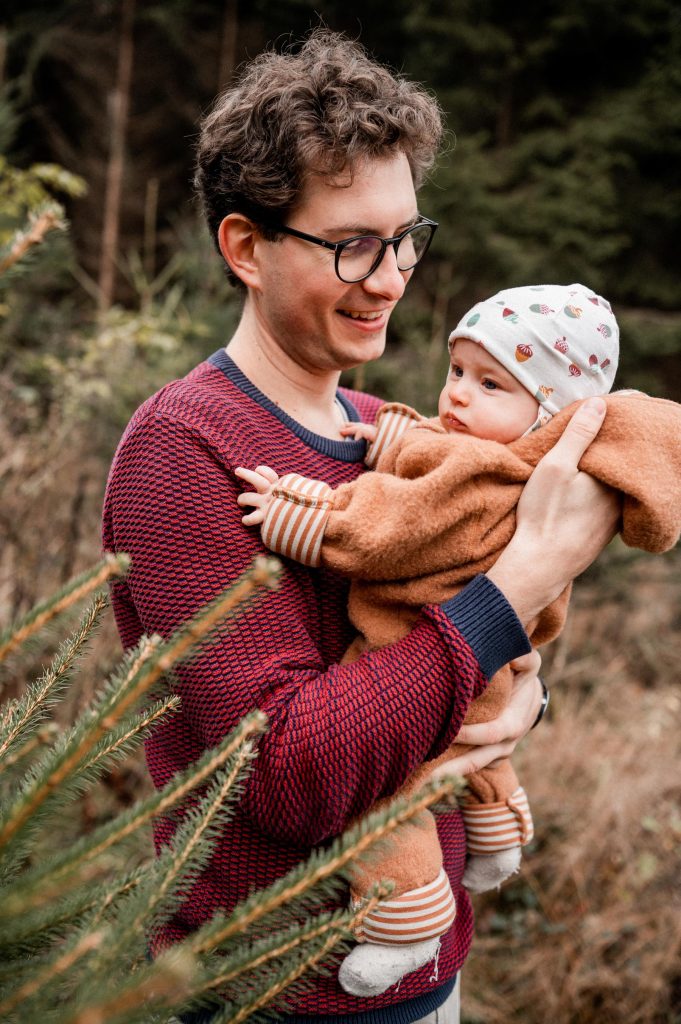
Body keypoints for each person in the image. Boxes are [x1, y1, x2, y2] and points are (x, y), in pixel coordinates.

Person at [102, 30, 619, 1024]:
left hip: (433, 974)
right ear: (247, 247)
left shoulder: (395, 435)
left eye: (405, 237)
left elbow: (482, 658)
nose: (390, 277)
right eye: (353, 244)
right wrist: (511, 592)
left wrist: (525, 702)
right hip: (272, 994)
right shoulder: (183, 450)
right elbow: (290, 772)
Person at [236, 281, 681, 996]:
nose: (459, 397)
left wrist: (310, 519)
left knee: (392, 792)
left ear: (548, 413)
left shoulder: (487, 477)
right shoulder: (511, 464)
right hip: (490, 671)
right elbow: (432, 451)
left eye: (490, 384)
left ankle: (406, 916)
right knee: (472, 744)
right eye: (457, 372)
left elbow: (395, 527)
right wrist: (388, 436)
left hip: (417, 657)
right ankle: (498, 822)